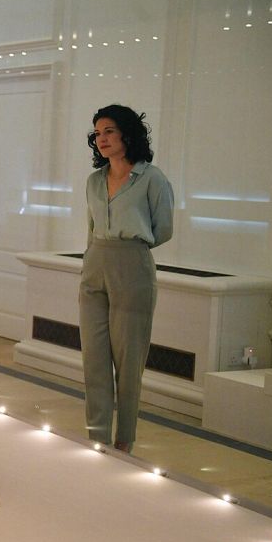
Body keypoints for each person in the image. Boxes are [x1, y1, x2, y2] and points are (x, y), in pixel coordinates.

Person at [80, 104, 174, 453]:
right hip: (95, 265)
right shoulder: (93, 181)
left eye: (109, 131)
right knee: (94, 359)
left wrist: (130, 248)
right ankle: (97, 438)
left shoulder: (152, 178)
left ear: (127, 134)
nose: (101, 139)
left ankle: (124, 440)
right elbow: (91, 228)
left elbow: (163, 229)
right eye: (97, 133)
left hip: (133, 267)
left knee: (129, 360)